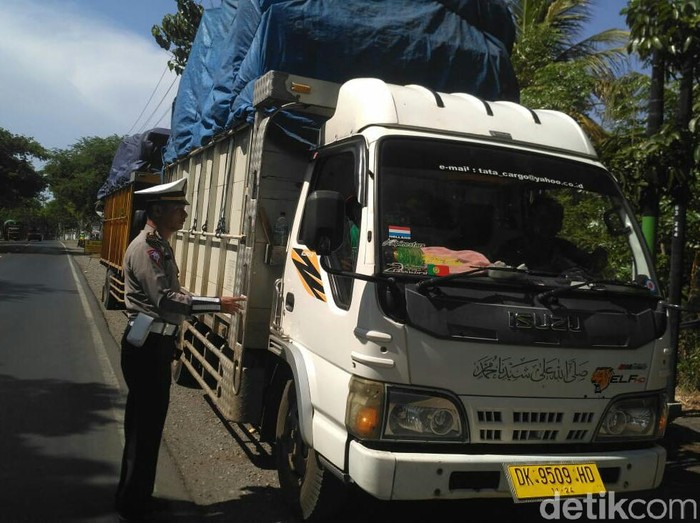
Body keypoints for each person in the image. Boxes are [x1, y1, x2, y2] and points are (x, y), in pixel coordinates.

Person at [115, 177, 245, 520]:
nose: (185, 214)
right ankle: (132, 502)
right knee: (144, 425)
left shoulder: (160, 246)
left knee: (149, 424)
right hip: (145, 349)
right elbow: (166, 300)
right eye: (179, 208)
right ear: (157, 210)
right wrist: (217, 303)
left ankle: (138, 494)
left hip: (155, 345)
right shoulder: (147, 249)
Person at [495, 195, 607, 275]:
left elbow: (589, 266)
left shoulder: (564, 247)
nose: (551, 226)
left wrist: (597, 258)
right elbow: (503, 277)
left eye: (557, 220)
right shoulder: (512, 248)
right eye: (545, 220)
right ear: (531, 220)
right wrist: (555, 269)